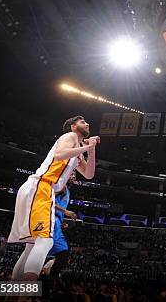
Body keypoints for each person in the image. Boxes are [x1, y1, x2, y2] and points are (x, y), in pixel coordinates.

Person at [8, 116, 99, 281]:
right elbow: (60, 154)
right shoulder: (69, 137)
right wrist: (86, 148)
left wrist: (91, 150)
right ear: (73, 126)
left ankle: (11, 295)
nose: (87, 124)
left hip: (40, 189)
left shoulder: (77, 149)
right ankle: (26, 295)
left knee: (32, 246)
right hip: (41, 186)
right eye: (82, 121)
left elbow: (89, 174)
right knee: (45, 241)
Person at [42, 173, 78, 278]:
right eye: (72, 174)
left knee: (63, 253)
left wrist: (61, 219)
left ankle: (47, 278)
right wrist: (65, 211)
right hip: (51, 219)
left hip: (56, 221)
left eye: (75, 175)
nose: (74, 177)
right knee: (61, 254)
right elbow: (48, 200)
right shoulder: (61, 186)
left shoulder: (65, 189)